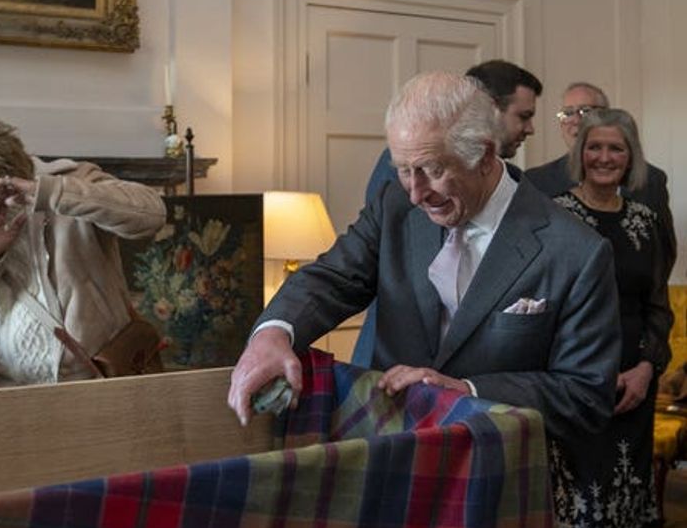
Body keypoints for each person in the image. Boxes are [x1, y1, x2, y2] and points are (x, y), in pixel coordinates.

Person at [228, 69, 620, 461]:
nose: (415, 193)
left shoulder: (576, 251)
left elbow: (585, 395)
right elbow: (332, 278)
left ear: (484, 156)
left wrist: (466, 391)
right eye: (403, 169)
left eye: (433, 170)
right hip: (385, 452)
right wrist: (273, 332)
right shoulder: (394, 205)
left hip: (492, 472)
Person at [0, 119, 166, 389]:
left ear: (4, 181)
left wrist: (47, 193)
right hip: (8, 390)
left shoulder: (74, 181)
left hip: (91, 381)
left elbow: (152, 214)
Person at [551, 108, 675, 528]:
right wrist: (585, 376)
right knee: (588, 504)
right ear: (579, 153)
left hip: (636, 382)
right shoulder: (553, 215)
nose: (604, 157)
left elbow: (658, 308)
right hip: (576, 381)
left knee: (628, 492)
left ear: (631, 158)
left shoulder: (645, 221)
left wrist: (647, 368)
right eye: (594, 147)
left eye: (616, 148)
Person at [352, 60, 543, 367]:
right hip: (391, 368)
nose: (416, 192)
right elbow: (372, 262)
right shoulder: (407, 172)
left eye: (434, 170)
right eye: (524, 116)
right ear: (489, 111)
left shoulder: (529, 201)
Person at [524, 82, 676, 278]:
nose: (575, 120)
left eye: (585, 111)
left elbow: (662, 257)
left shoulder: (651, 180)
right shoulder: (536, 181)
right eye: (567, 113)